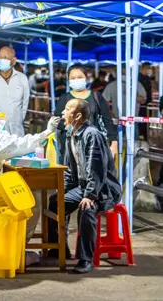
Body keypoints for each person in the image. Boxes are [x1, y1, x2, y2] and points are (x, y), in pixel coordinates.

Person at [48, 98, 122, 274]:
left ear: (78, 115)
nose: (63, 113)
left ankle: (86, 259)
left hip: (103, 189)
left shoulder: (92, 135)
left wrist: (89, 195)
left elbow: (96, 169)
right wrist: (63, 191)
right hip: (83, 186)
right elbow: (69, 170)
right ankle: (59, 247)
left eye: (67, 109)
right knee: (54, 202)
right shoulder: (71, 134)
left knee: (86, 209)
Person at [54, 66, 116, 163]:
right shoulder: (64, 98)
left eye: (79, 77)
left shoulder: (96, 97)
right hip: (69, 150)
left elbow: (107, 120)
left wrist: (114, 143)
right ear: (68, 80)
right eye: (73, 78)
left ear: (86, 78)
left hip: (92, 148)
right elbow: (57, 122)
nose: (76, 80)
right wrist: (71, 128)